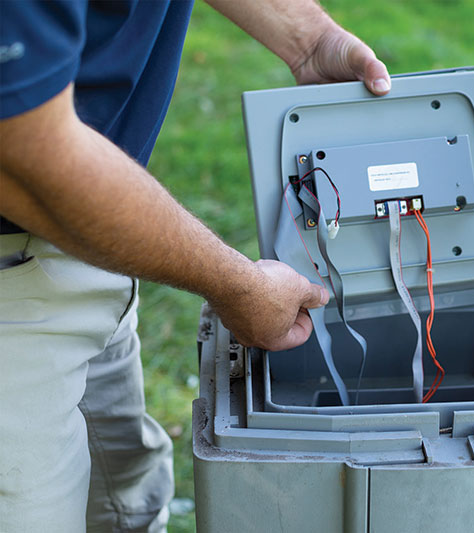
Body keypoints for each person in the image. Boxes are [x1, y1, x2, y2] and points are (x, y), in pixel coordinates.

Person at [0, 1, 390, 530]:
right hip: (15, 265)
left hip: (90, 232)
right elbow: (23, 157)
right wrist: (238, 287)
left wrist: (309, 38)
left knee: (125, 504)